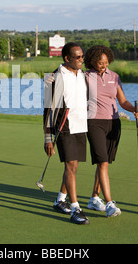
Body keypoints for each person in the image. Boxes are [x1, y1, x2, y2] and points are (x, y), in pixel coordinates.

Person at [84, 45, 138, 217]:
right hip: (94, 122)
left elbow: (122, 101)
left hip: (114, 123)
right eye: (100, 62)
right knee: (102, 162)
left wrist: (133, 110)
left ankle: (94, 198)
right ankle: (109, 203)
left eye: (106, 62)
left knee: (105, 162)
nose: (103, 65)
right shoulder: (85, 76)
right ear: (93, 61)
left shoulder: (114, 76)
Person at [43, 42, 90, 225]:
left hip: (81, 125)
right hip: (65, 126)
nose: (81, 60)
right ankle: (76, 209)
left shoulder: (82, 74)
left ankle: (60, 200)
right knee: (71, 166)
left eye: (82, 56)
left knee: (74, 166)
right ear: (67, 58)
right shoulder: (54, 77)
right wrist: (48, 137)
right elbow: (48, 109)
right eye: (77, 57)